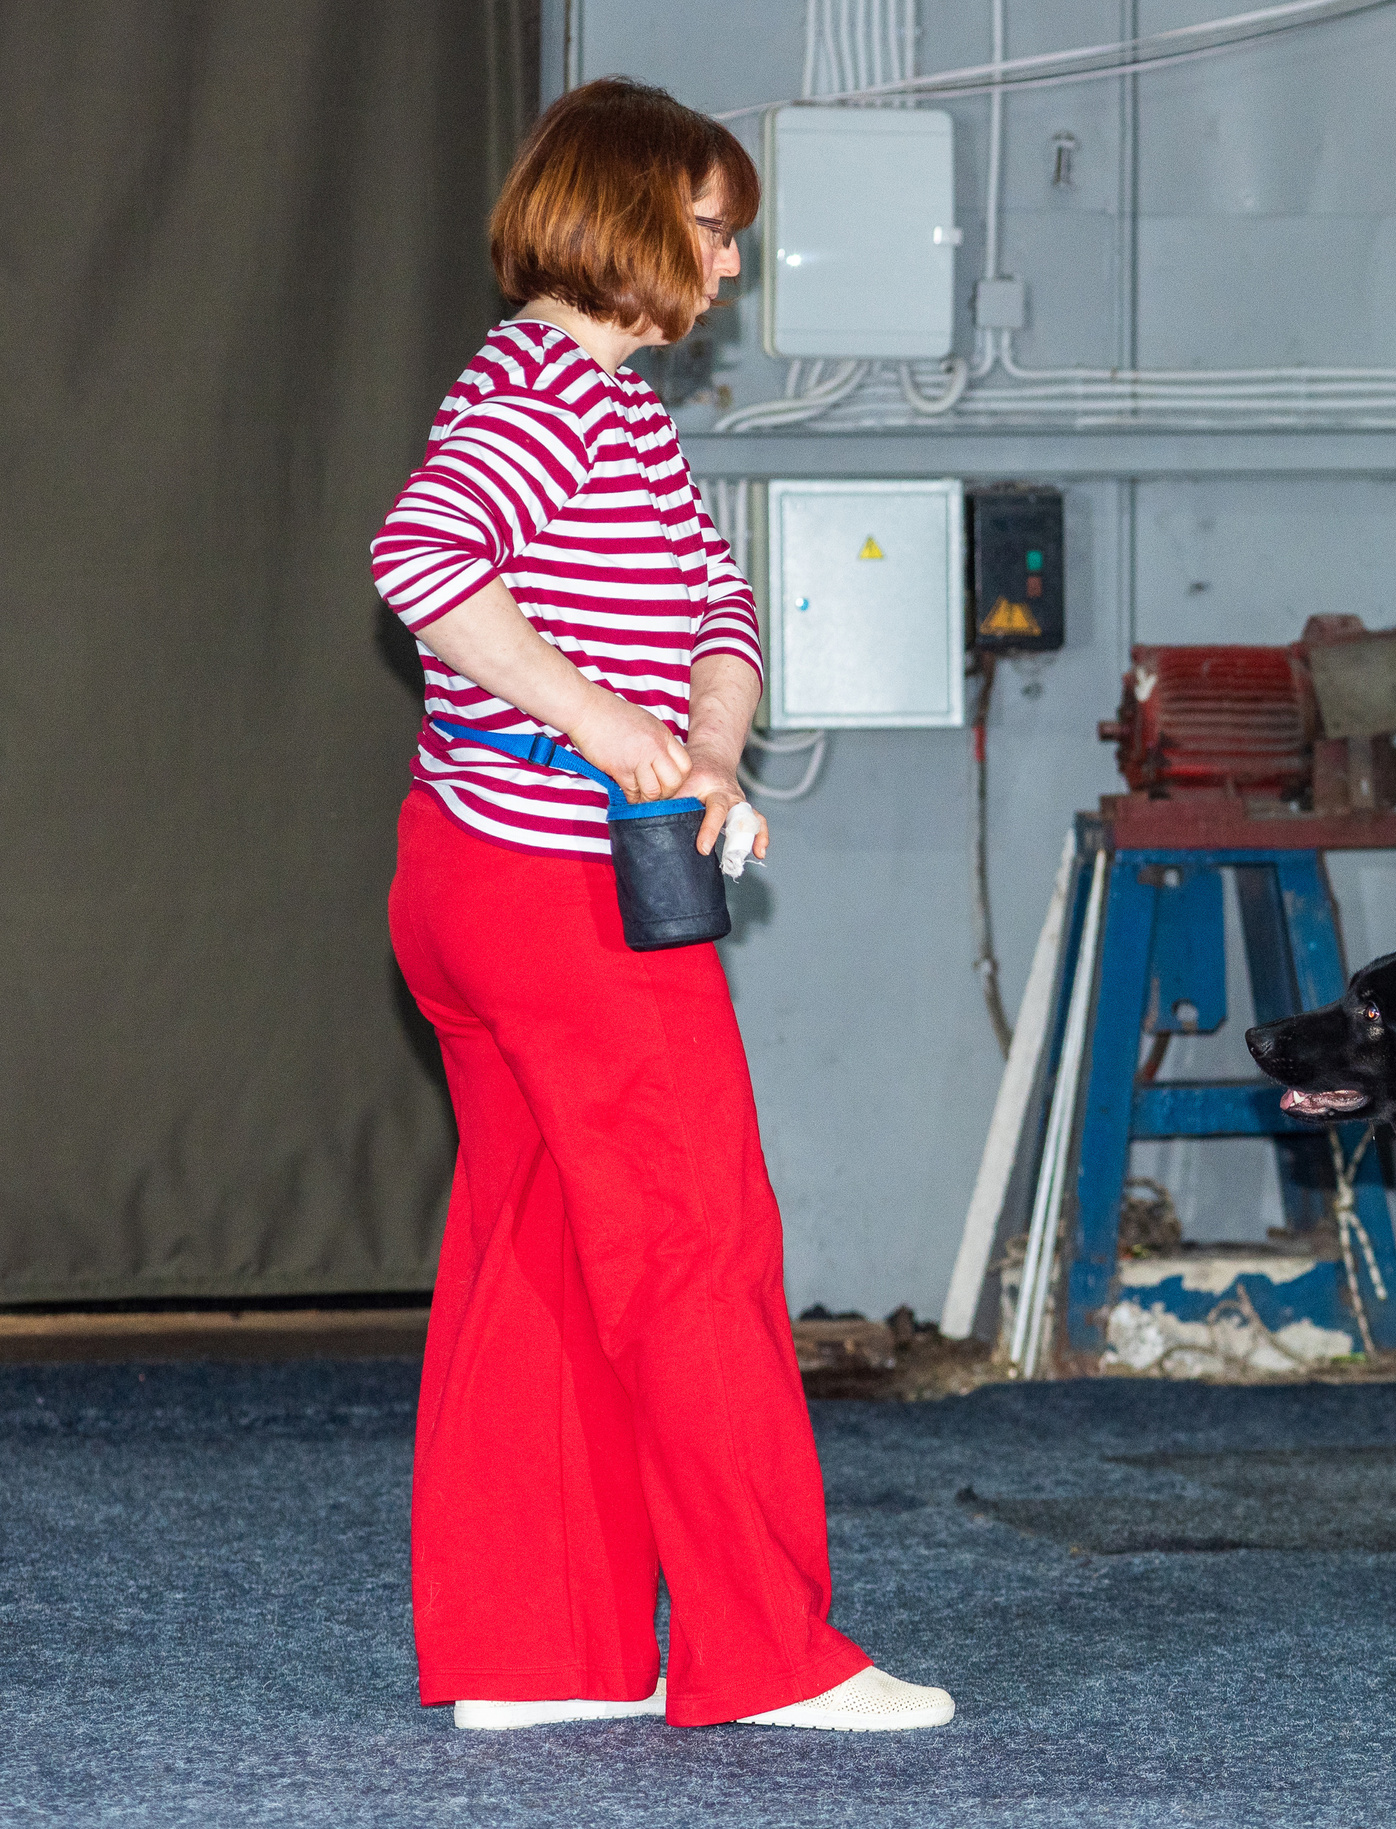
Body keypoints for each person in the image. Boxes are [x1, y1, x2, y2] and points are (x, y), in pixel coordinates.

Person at [372, 77, 951, 1734]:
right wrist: (613, 731)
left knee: (539, 1247)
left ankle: (533, 1657)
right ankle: (773, 1655)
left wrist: (699, 748)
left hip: (487, 881)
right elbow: (421, 564)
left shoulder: (616, 411)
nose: (729, 269)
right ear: (626, 215)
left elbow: (722, 602)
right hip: (552, 898)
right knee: (700, 1244)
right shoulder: (539, 395)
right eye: (711, 230)